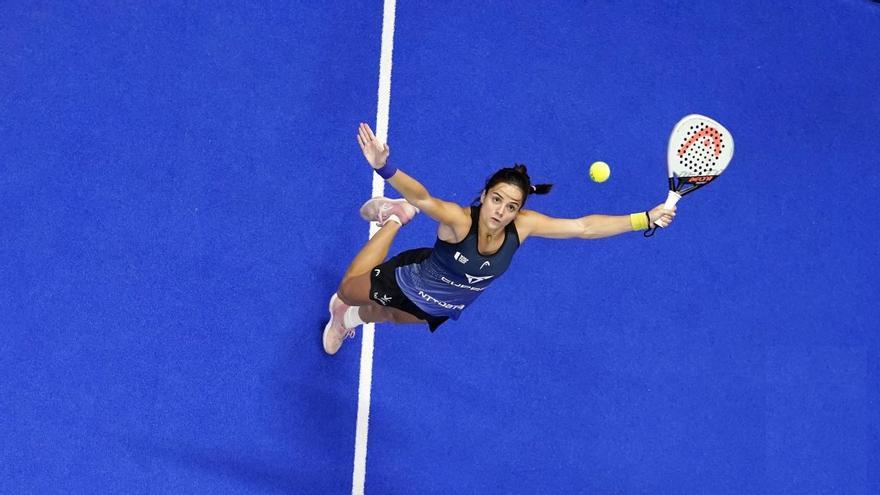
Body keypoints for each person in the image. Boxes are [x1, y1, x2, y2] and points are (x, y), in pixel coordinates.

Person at [322, 122, 676, 355]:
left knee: (393, 318)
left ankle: (346, 321)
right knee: (347, 290)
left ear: (518, 209)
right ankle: (394, 220)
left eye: (511, 206)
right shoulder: (461, 222)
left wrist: (643, 218)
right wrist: (385, 167)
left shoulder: (523, 226)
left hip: (444, 303)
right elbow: (423, 198)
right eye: (496, 200)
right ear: (484, 194)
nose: (501, 212)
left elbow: (583, 227)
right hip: (411, 279)